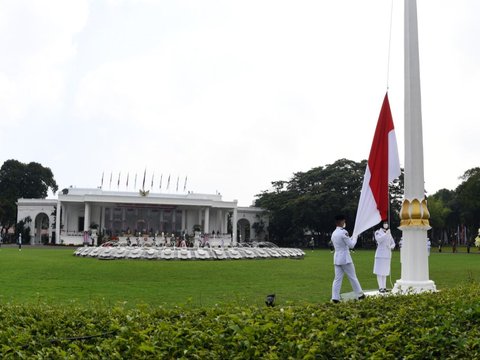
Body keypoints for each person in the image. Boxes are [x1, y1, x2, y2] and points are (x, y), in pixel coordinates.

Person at [331, 215, 365, 303]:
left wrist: (351, 237)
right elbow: (351, 245)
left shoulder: (334, 233)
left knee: (337, 279)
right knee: (353, 277)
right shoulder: (343, 232)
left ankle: (335, 297)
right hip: (345, 258)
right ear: (342, 222)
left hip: (337, 258)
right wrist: (356, 237)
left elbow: (345, 242)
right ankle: (360, 294)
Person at [373, 222, 396, 293]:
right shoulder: (377, 232)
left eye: (387, 223)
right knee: (379, 272)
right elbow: (378, 240)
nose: (386, 224)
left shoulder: (388, 232)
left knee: (385, 271)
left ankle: (384, 287)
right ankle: (380, 287)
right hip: (380, 254)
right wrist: (386, 234)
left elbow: (393, 243)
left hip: (387, 254)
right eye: (385, 223)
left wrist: (391, 247)